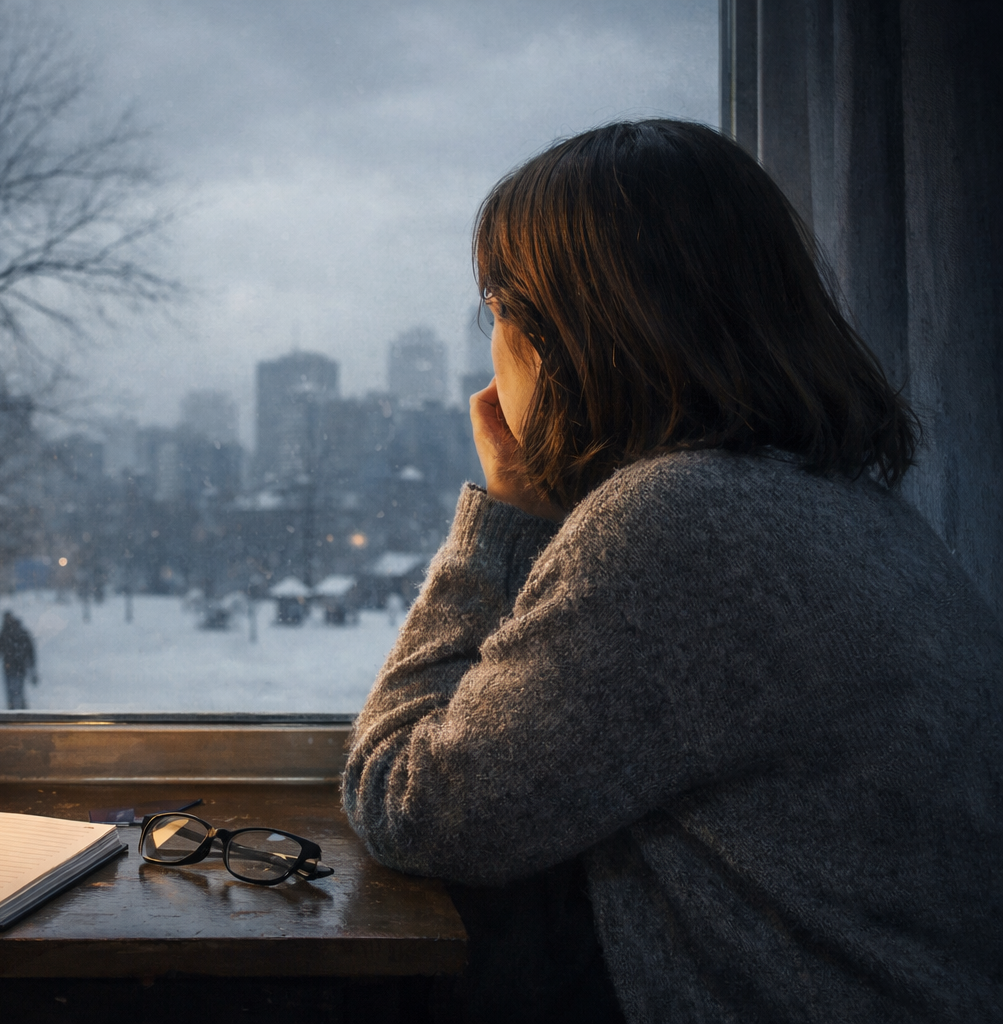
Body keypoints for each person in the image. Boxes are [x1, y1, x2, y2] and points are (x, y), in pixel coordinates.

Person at [342, 119, 1002, 1022]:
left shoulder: (678, 524)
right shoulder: (851, 507)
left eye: (497, 311)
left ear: (563, 334)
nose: (490, 347)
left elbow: (411, 802)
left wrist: (501, 518)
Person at [0, 611, 37, 710]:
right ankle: (21, 707)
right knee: (19, 689)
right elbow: (30, 649)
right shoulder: (21, 631)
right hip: (20, 666)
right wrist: (31, 664)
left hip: (9, 666)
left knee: (11, 689)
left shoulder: (4, 633)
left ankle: (12, 708)